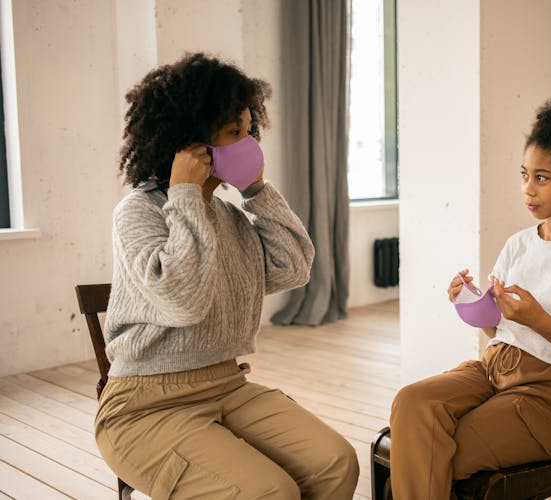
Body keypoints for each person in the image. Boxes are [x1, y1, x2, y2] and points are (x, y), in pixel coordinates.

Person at [95, 53, 359, 500]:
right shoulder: (138, 212)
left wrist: (256, 190)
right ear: (191, 142)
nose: (248, 143)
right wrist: (183, 192)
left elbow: (294, 267)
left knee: (336, 463)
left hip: (227, 386)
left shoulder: (229, 216)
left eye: (248, 130)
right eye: (234, 133)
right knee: (269, 492)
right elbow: (183, 299)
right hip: (143, 408)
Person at [388, 88, 551, 500]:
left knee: (431, 449)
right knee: (412, 404)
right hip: (491, 370)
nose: (528, 189)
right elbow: (500, 332)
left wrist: (539, 320)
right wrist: (472, 306)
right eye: (524, 174)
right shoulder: (519, 244)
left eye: (542, 178)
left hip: (546, 399)